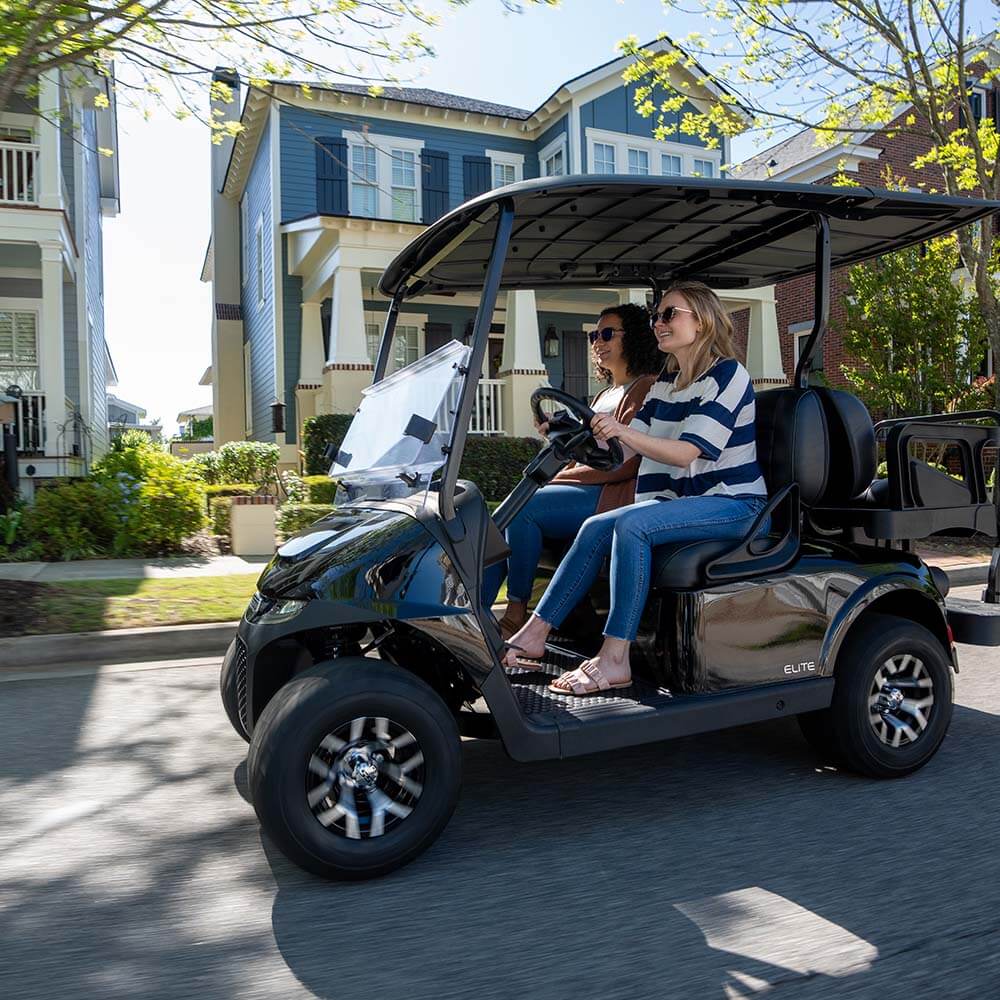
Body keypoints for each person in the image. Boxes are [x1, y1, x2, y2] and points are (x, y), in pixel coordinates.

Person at [504, 281, 769, 695]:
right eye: (656, 316)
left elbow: (685, 453)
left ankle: (615, 659)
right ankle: (533, 633)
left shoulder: (727, 375)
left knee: (633, 525)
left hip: (734, 505)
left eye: (669, 314)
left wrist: (620, 430)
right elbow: (623, 451)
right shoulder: (665, 385)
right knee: (596, 526)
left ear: (701, 321)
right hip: (682, 503)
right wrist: (569, 435)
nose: (658, 323)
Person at [485, 303, 661, 639]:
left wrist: (560, 476)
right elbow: (587, 449)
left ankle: (516, 611)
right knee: (499, 519)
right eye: (594, 335)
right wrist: (558, 435)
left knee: (526, 509)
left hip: (613, 493)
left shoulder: (645, 387)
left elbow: (622, 462)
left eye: (607, 334)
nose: (598, 342)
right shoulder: (605, 394)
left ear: (635, 338)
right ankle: (476, 611)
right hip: (589, 486)